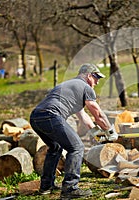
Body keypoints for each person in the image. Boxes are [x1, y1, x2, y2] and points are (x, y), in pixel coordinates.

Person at [30, 63, 118, 199]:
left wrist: (98, 134)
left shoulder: (69, 86)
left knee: (55, 148)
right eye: (96, 77)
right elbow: (98, 114)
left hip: (36, 117)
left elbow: (84, 117)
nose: (98, 81)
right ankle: (70, 189)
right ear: (89, 76)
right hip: (51, 115)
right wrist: (110, 131)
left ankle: (46, 186)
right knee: (76, 147)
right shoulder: (86, 88)